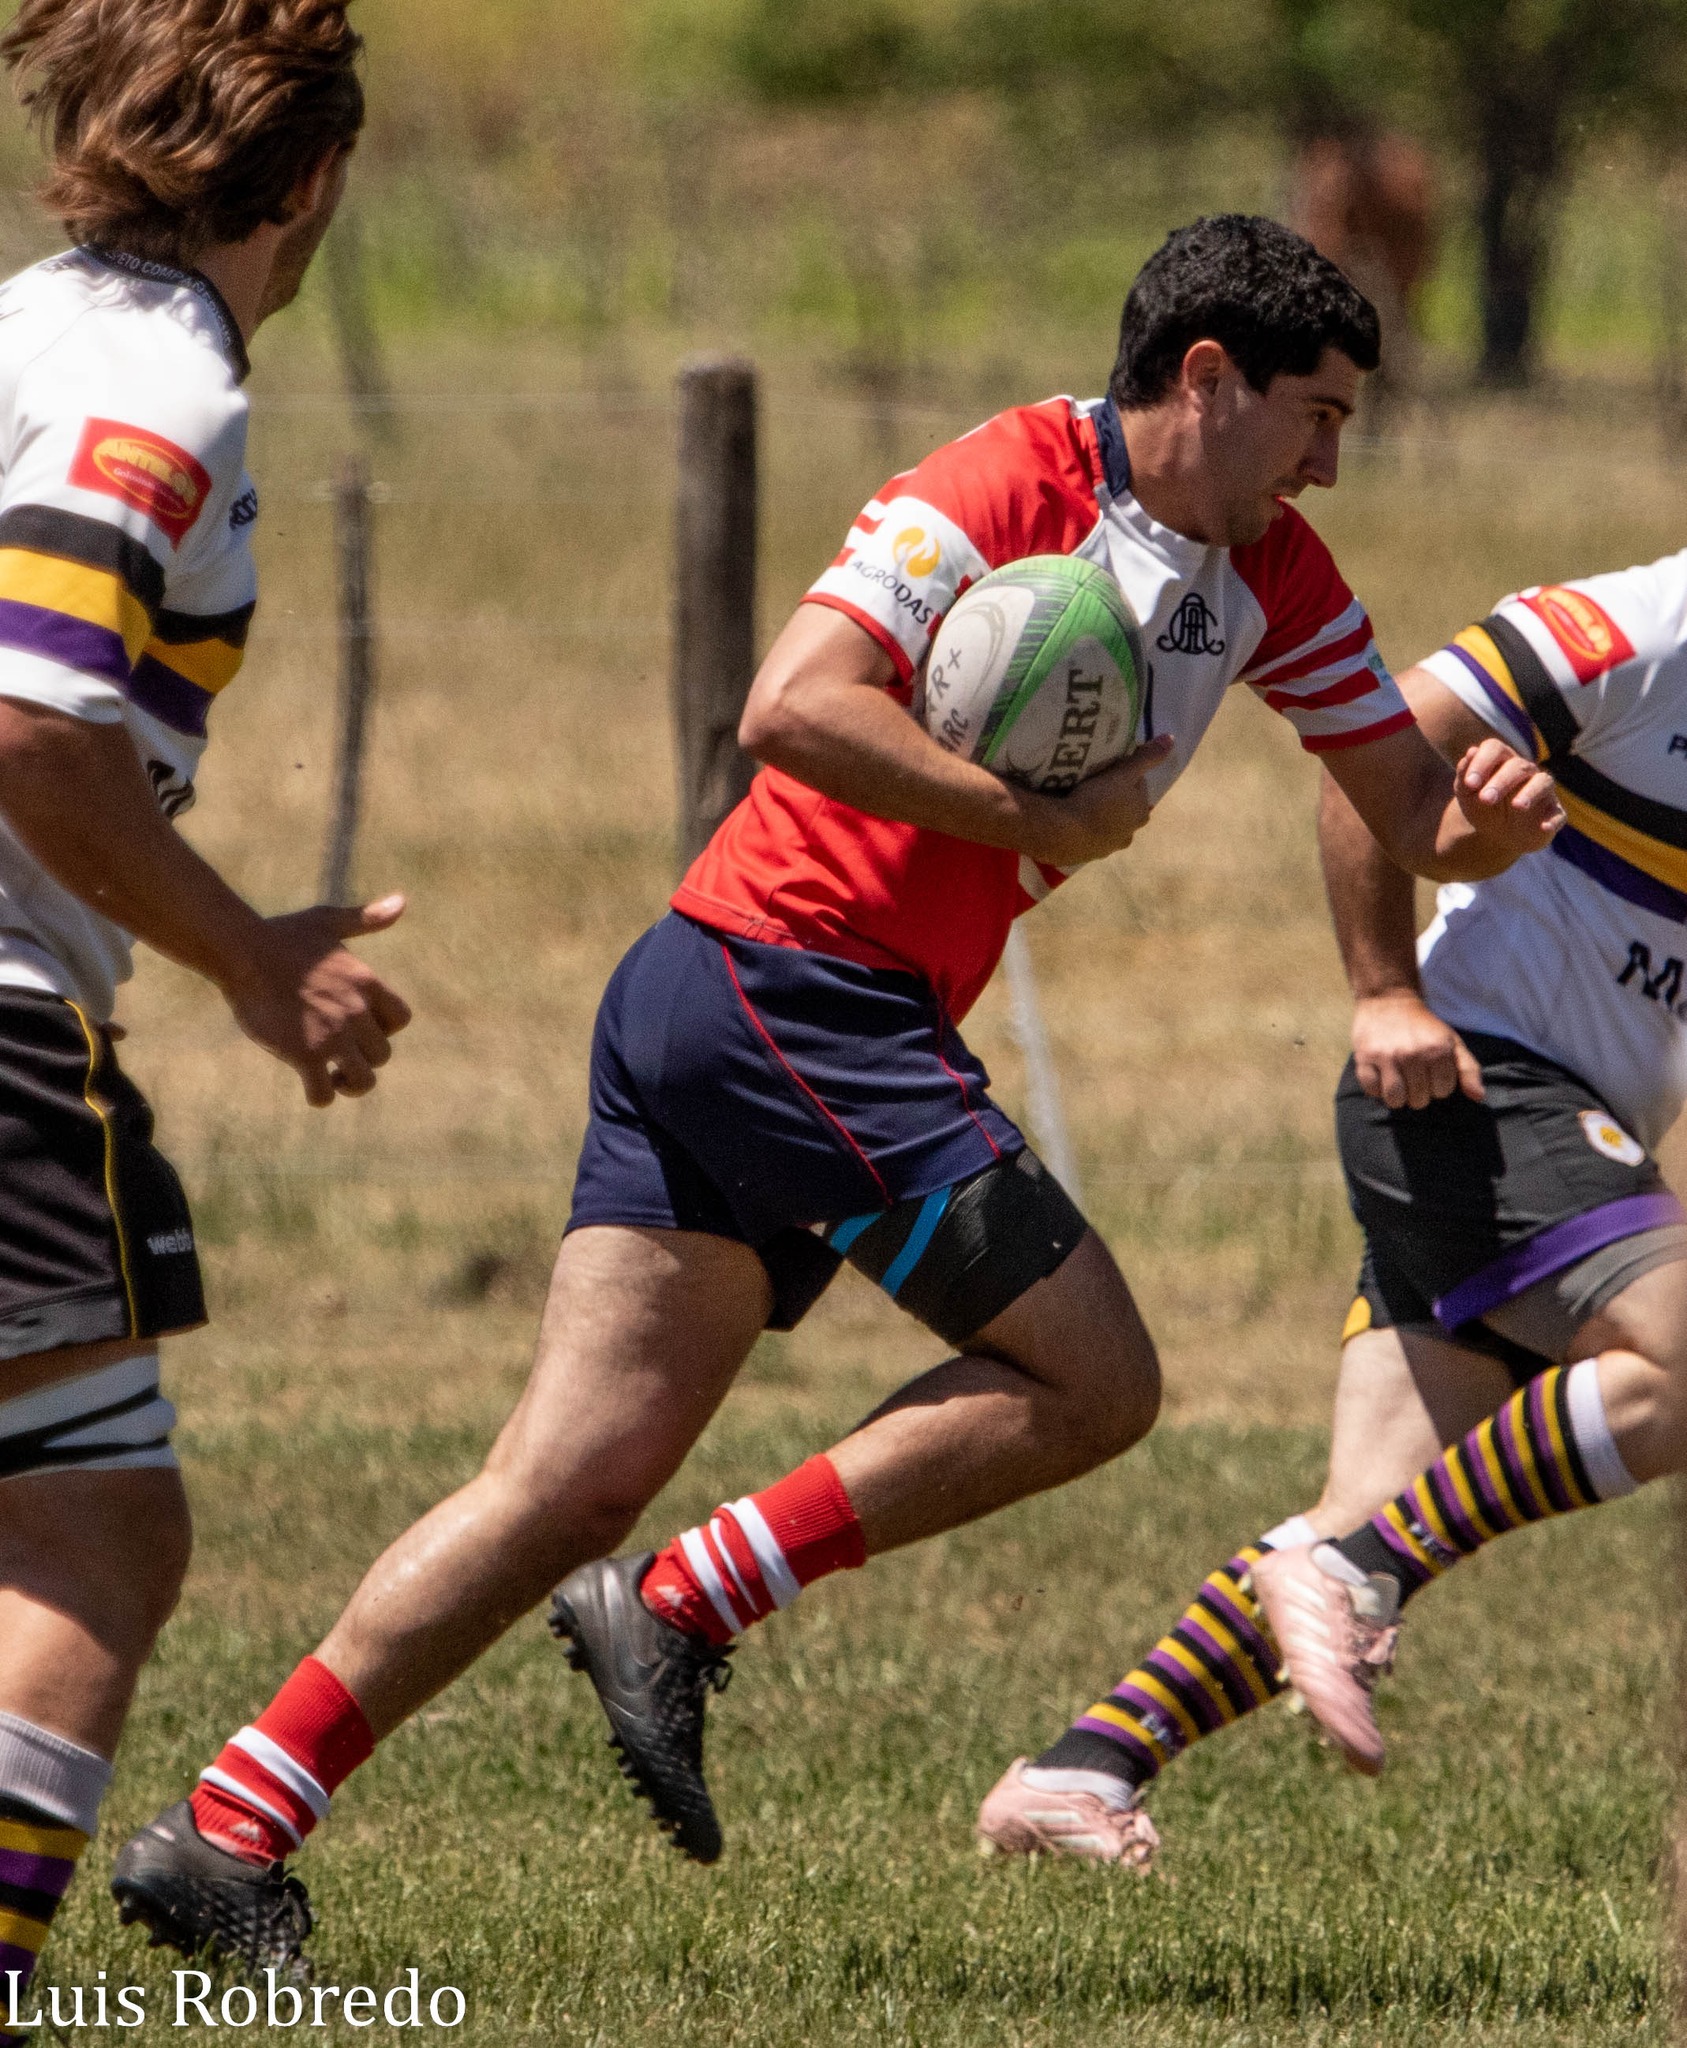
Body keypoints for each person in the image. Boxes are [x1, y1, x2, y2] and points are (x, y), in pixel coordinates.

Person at [114, 215, 1558, 1971]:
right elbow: (788, 707)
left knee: (564, 1479)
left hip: (748, 1003)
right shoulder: (1008, 477)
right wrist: (1034, 820)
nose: (1335, 457)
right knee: (1097, 1380)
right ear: (1205, 380)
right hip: (787, 984)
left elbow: (1408, 805)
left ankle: (228, 1831)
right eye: (1317, 414)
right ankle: (691, 1599)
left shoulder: (1279, 571)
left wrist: (1475, 824)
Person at [977, 552, 1686, 1860]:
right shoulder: (1642, 628)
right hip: (1473, 1089)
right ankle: (1368, 1573)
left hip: (1548, 1147)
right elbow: (1382, 751)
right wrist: (1384, 990)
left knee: (1368, 1498)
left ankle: (1087, 1768)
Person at [0, 0, 409, 2022]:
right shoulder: (157, 390)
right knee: (96, 1529)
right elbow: (39, 732)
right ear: (313, 178)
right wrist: (253, 955)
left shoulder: (17, 325)